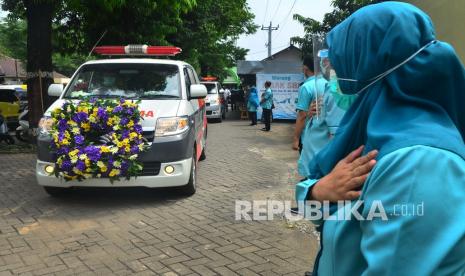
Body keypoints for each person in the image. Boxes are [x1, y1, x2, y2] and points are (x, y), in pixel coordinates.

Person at [296, 2, 465, 275]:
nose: (336, 79)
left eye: (344, 67)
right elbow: (330, 216)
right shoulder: (377, 134)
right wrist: (318, 192)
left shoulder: (419, 161)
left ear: (370, 68)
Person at [293, 58, 324, 152]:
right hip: (325, 134)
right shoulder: (327, 84)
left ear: (305, 68)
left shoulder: (306, 87)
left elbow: (302, 116)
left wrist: (296, 139)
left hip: (309, 136)